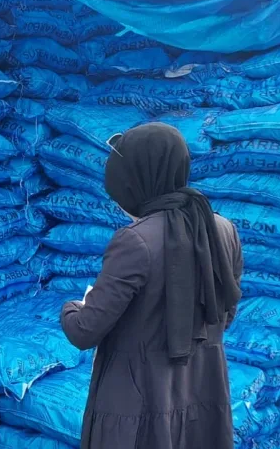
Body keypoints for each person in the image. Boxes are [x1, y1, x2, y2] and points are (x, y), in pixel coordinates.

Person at [60, 123, 243, 449]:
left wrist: (75, 306)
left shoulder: (135, 242)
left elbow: (84, 331)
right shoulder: (223, 229)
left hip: (139, 406)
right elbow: (223, 314)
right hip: (202, 393)